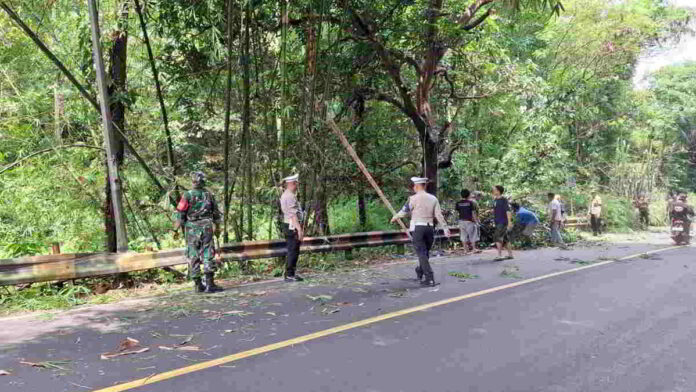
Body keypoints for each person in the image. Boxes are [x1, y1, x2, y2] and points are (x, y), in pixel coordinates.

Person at [391, 177, 450, 287]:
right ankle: (420, 270)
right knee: (425, 253)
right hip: (429, 229)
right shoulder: (433, 199)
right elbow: (439, 215)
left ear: (417, 186)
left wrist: (395, 217)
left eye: (414, 186)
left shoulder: (412, 199)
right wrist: (445, 229)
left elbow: (404, 211)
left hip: (418, 229)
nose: (413, 187)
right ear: (425, 186)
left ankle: (429, 278)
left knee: (422, 254)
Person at [174, 171, 223, 293]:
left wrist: (175, 230)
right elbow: (216, 213)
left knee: (193, 254)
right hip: (206, 226)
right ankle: (210, 284)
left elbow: (180, 214)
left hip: (191, 228)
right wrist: (218, 227)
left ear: (193, 181)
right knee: (208, 252)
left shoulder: (187, 195)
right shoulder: (209, 195)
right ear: (203, 181)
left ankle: (197, 284)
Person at [280, 174, 305, 282]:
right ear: (290, 184)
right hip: (291, 226)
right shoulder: (289, 196)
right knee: (293, 250)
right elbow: (292, 215)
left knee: (293, 249)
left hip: (290, 225)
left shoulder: (287, 194)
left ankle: (291, 273)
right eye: (295, 183)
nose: (296, 186)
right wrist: (299, 229)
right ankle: (289, 274)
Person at [491, 185, 514, 261]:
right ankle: (510, 255)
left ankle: (499, 255)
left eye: (494, 190)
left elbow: (508, 211)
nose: (493, 191)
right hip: (497, 221)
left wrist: (509, 222)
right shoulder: (495, 200)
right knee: (505, 239)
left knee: (497, 237)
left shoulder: (503, 200)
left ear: (498, 191)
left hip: (502, 221)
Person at [455, 189, 480, 254]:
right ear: (468, 195)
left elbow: (457, 213)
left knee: (463, 236)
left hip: (461, 221)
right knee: (473, 235)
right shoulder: (471, 203)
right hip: (469, 221)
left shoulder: (458, 203)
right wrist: (476, 221)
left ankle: (465, 250)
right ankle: (474, 249)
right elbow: (473, 213)